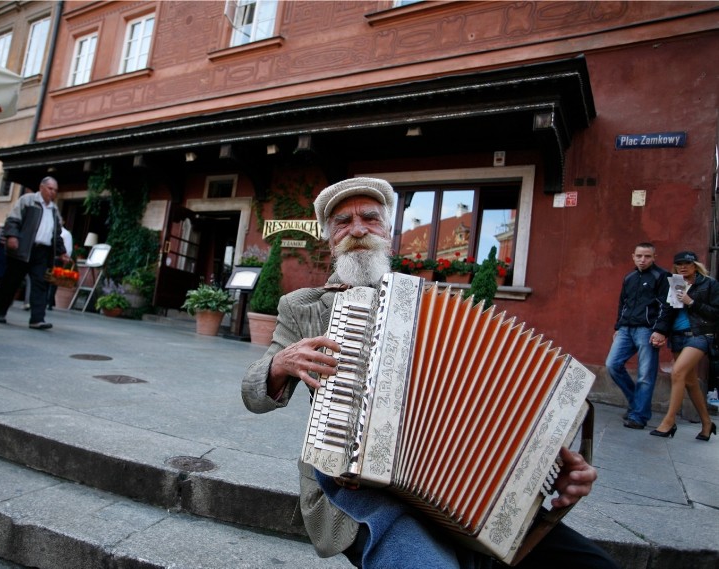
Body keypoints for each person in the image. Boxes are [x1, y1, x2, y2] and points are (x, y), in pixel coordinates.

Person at [242, 178, 619, 569]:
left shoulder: (436, 309)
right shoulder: (302, 307)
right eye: (342, 222)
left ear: (388, 231)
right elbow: (252, 395)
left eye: (370, 218)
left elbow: (492, 401)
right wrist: (280, 363)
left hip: (462, 489)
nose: (357, 229)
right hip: (350, 484)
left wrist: (547, 469)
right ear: (329, 238)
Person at [650, 251, 719, 441]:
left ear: (695, 265)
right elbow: (667, 311)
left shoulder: (709, 284)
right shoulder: (676, 283)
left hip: (700, 335)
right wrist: (660, 331)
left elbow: (715, 313)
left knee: (677, 372)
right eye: (679, 264)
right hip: (678, 337)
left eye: (687, 263)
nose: (683, 267)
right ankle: (706, 423)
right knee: (690, 382)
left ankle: (669, 422)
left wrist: (692, 302)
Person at [605, 243, 675, 429]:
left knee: (645, 374)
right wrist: (618, 326)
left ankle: (639, 416)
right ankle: (637, 404)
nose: (642, 259)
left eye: (647, 256)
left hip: (647, 330)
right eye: (639, 256)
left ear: (654, 257)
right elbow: (623, 303)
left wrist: (660, 330)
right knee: (612, 365)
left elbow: (668, 306)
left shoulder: (662, 276)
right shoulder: (629, 277)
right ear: (633, 256)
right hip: (626, 329)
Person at [0, 176, 69, 330]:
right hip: (23, 248)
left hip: (42, 252)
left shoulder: (54, 210)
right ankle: (0, 311)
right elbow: (13, 220)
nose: (53, 192)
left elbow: (57, 234)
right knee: (11, 282)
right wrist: (12, 236)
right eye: (50, 188)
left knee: (40, 284)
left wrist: (62, 252)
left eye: (55, 190)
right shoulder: (27, 200)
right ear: (41, 187)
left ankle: (37, 319)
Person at [47, 225, 73, 310]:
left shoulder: (66, 233)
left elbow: (68, 249)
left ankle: (49, 302)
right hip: (48, 257)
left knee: (53, 281)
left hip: (58, 259)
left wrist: (65, 258)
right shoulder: (49, 230)